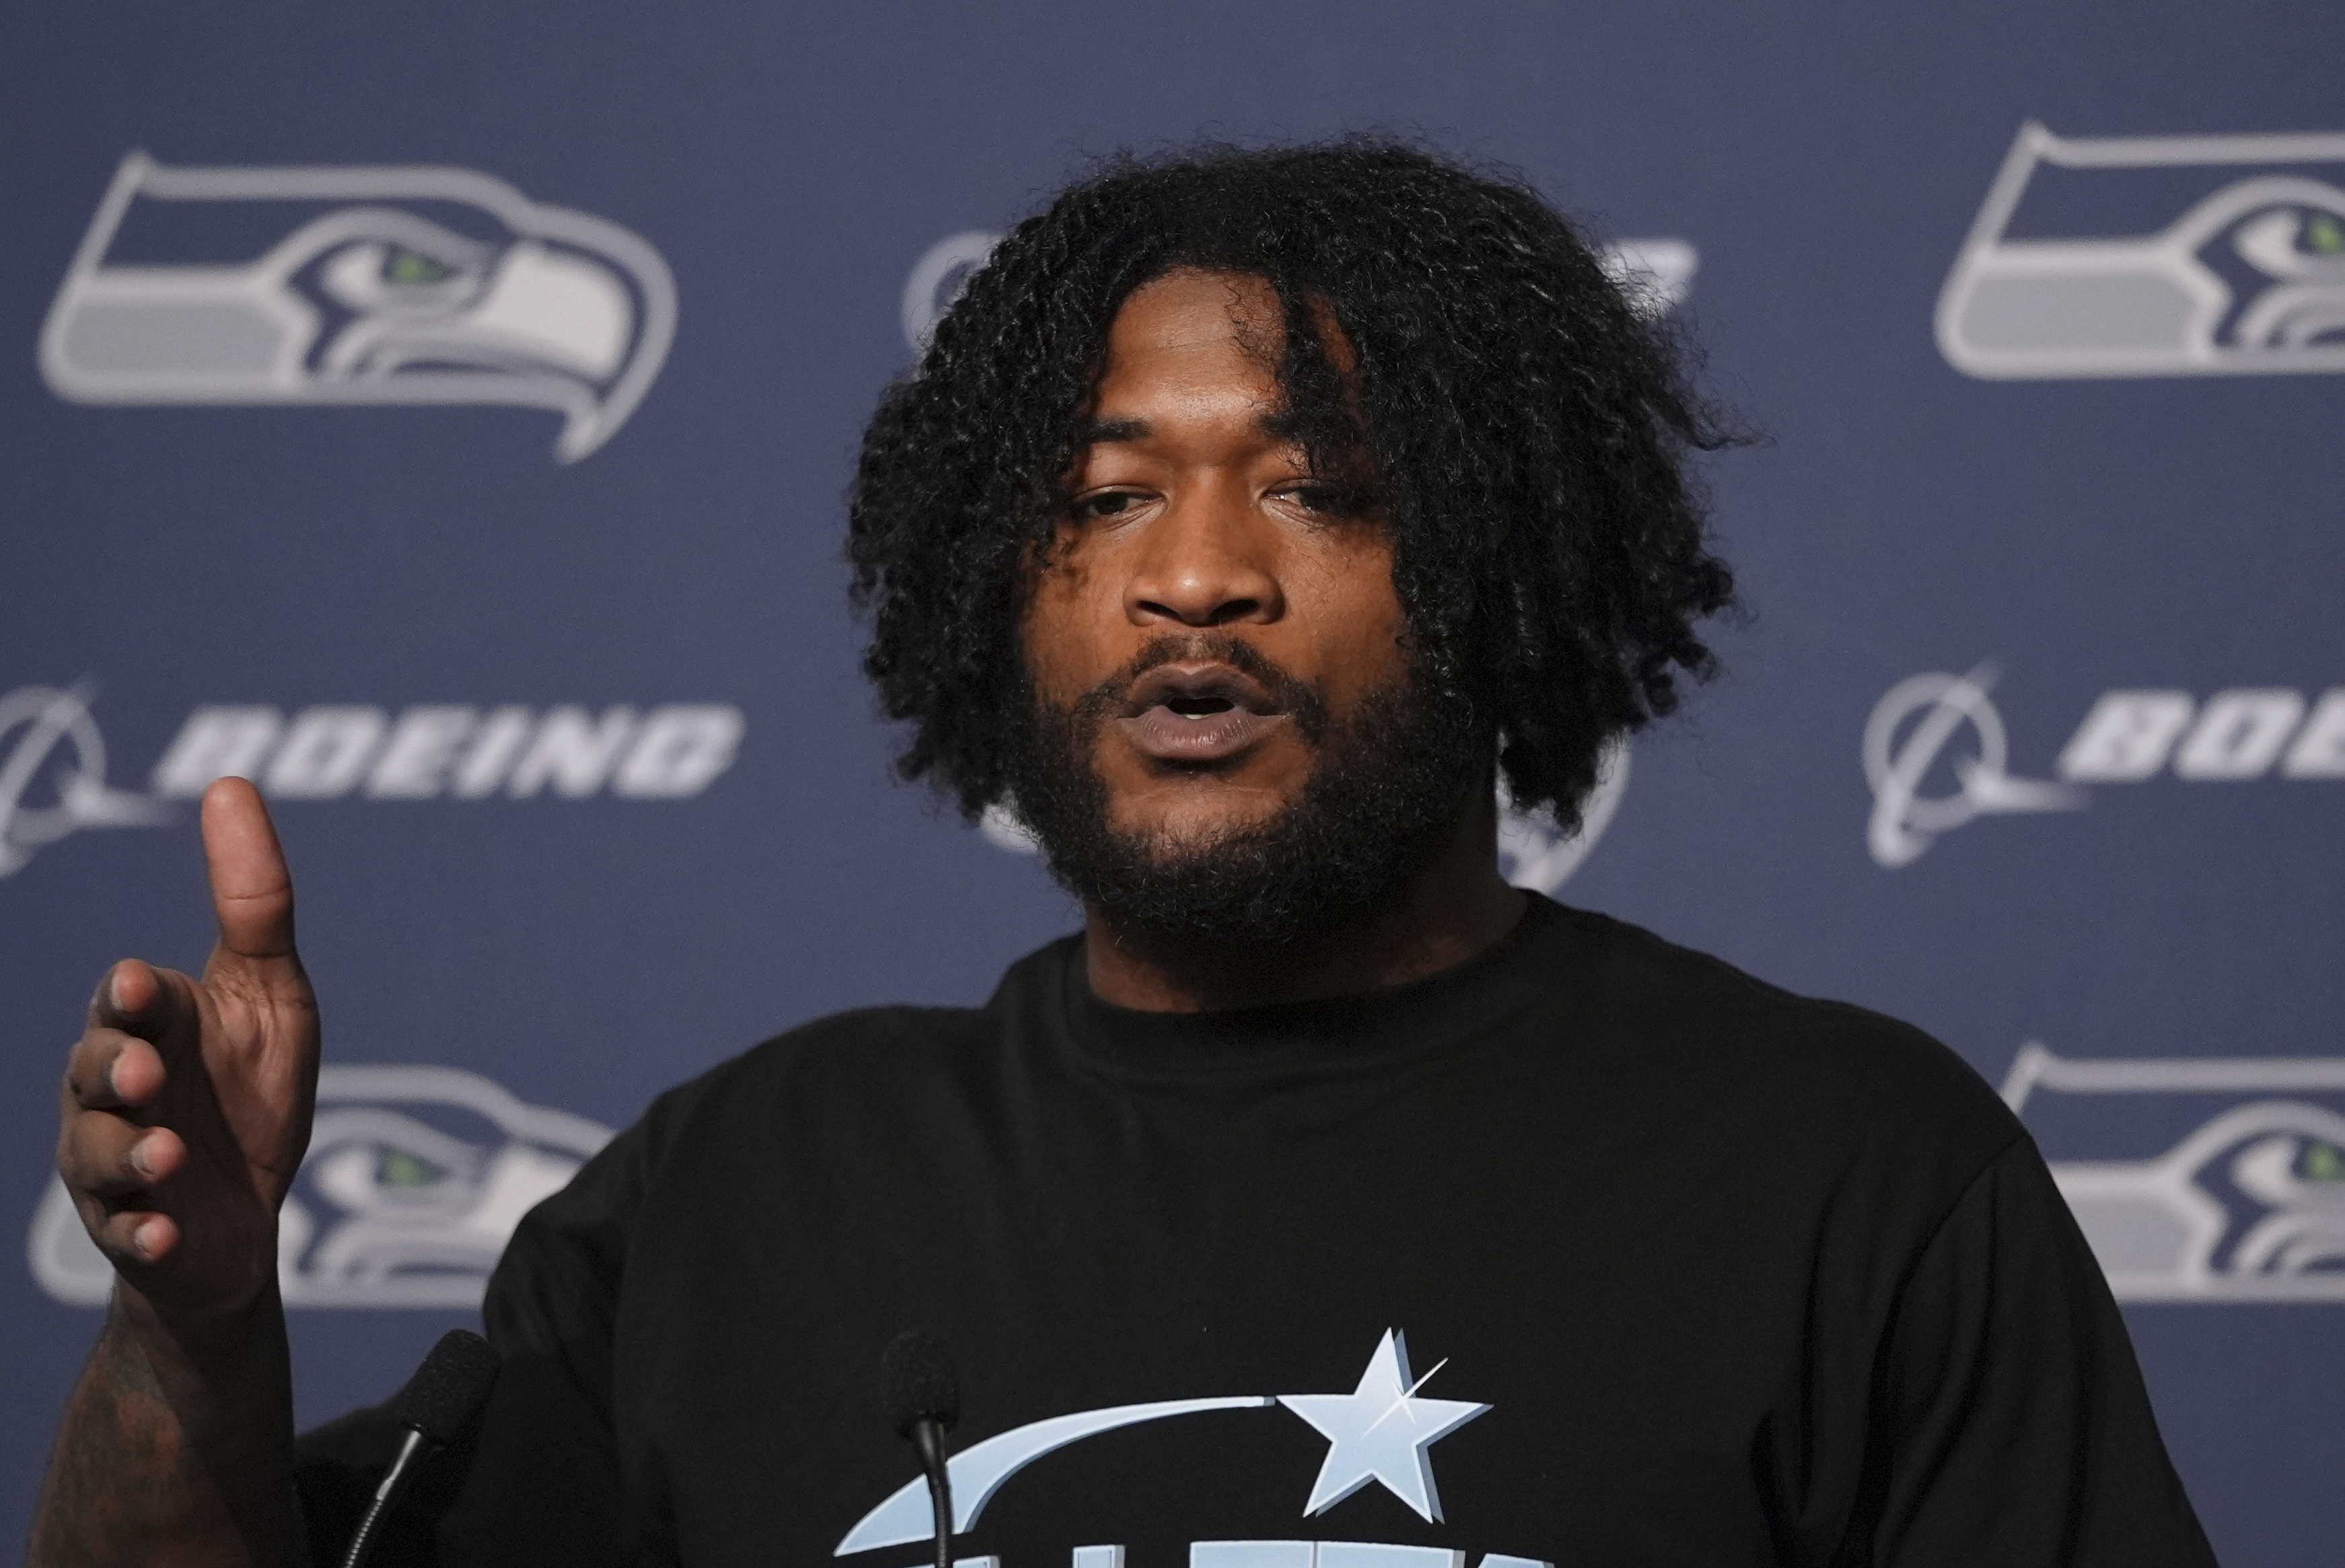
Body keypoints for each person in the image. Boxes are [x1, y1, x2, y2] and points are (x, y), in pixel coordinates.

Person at [33, 141, 2216, 1567]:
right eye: (1104, 495)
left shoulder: (1850, 1175)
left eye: (1314, 489)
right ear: (1005, 586)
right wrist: (197, 1341)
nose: (1195, 577)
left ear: (1505, 567)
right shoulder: (735, 1198)